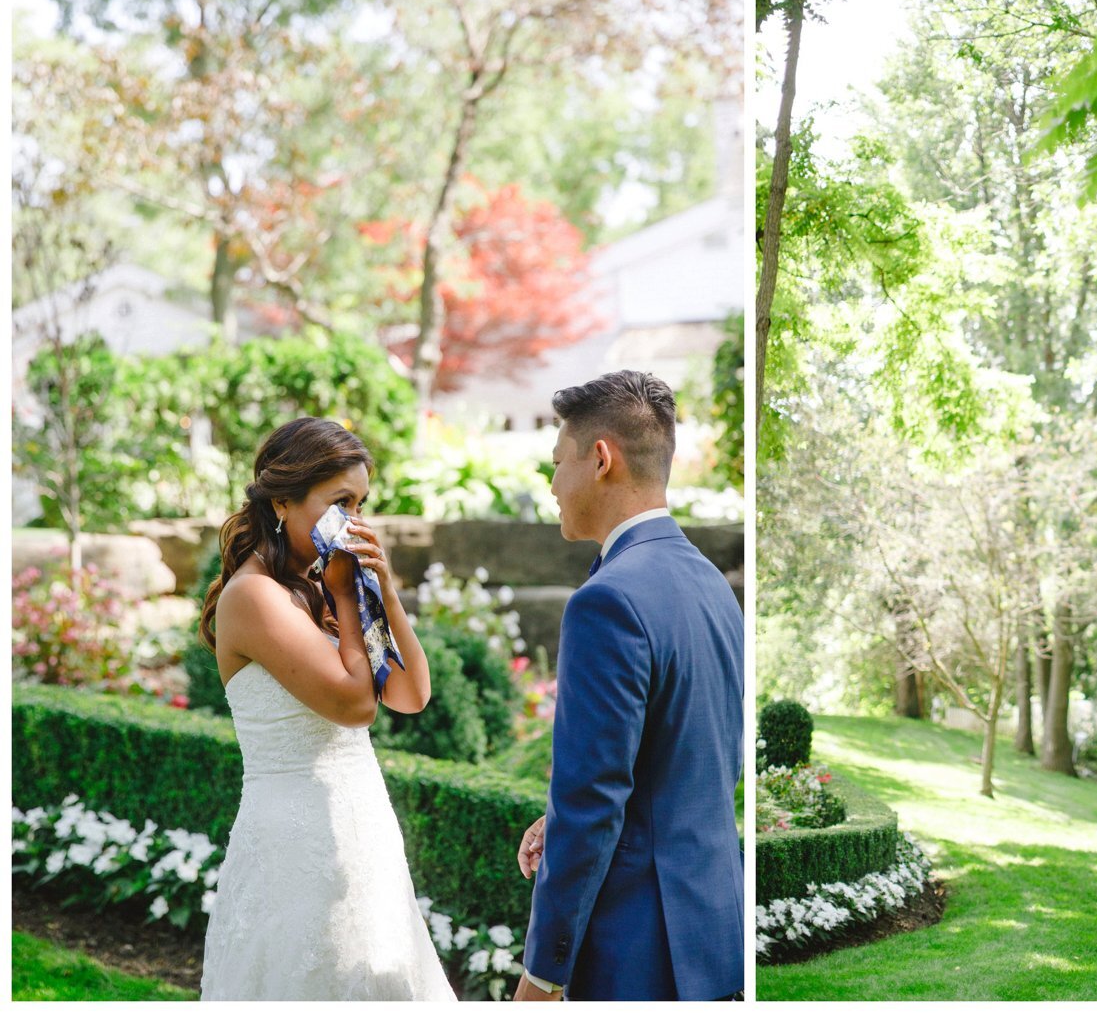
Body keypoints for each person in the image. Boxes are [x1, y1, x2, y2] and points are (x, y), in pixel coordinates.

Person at [198, 417, 455, 1000]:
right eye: (341, 502)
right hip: (296, 842)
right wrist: (344, 592)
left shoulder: (320, 582)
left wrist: (382, 589)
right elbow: (358, 706)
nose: (354, 522)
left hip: (363, 828)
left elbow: (411, 694)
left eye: (361, 504)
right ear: (283, 500)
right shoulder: (255, 595)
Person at [513, 371, 744, 1001]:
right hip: (715, 938)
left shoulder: (606, 601)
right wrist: (556, 821)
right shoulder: (712, 587)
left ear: (601, 459)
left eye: (557, 463)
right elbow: (692, 761)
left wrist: (542, 975)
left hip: (637, 952)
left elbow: (593, 803)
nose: (554, 484)